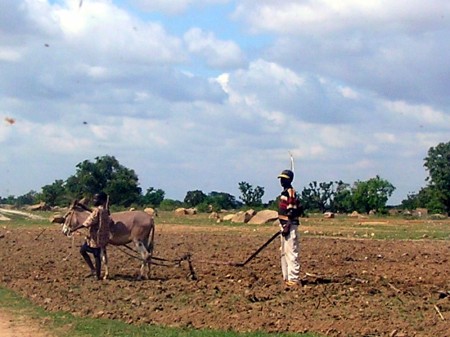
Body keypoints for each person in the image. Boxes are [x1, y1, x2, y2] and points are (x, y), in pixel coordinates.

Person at [72, 192, 111, 280]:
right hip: (103, 237)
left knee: (86, 252)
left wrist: (75, 228)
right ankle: (95, 272)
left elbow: (88, 222)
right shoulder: (105, 211)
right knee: (94, 254)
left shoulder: (97, 211)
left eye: (95, 199)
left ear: (101, 200)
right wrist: (83, 206)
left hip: (95, 237)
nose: (94, 200)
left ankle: (96, 274)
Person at [277, 169, 301, 287]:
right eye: (281, 179)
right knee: (284, 252)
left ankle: (294, 278)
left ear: (289, 180)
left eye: (284, 179)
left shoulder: (290, 192)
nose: (282, 181)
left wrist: (287, 226)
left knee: (291, 252)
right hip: (284, 225)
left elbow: (291, 211)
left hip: (289, 226)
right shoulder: (285, 193)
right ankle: (286, 277)